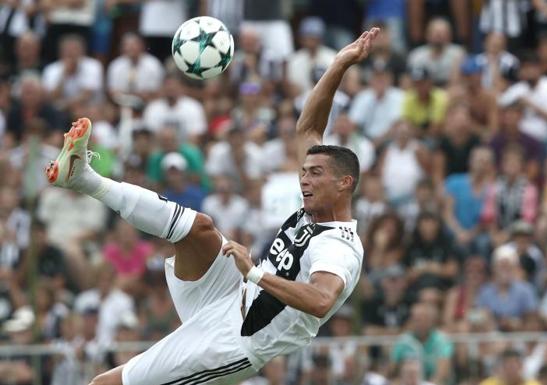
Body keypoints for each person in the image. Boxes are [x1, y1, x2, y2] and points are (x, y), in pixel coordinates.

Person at [45, 28, 378, 385]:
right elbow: (309, 128)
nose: (304, 180)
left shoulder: (338, 246)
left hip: (234, 341)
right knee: (199, 227)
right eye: (304, 172)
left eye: (315, 174)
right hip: (230, 294)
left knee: (103, 384)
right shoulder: (315, 210)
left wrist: (255, 273)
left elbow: (321, 300)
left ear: (345, 184)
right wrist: (340, 64)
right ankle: (83, 178)